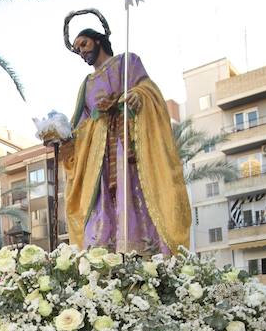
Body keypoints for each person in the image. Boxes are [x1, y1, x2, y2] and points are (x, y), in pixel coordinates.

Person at [55, 25, 191, 253]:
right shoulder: (87, 84)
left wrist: (138, 95)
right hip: (98, 157)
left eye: (84, 44)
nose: (82, 51)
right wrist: (62, 139)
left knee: (134, 193)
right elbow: (79, 126)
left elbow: (148, 89)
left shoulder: (126, 62)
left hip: (127, 145)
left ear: (97, 41)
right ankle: (103, 255)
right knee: (102, 202)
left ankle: (143, 253)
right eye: (77, 49)